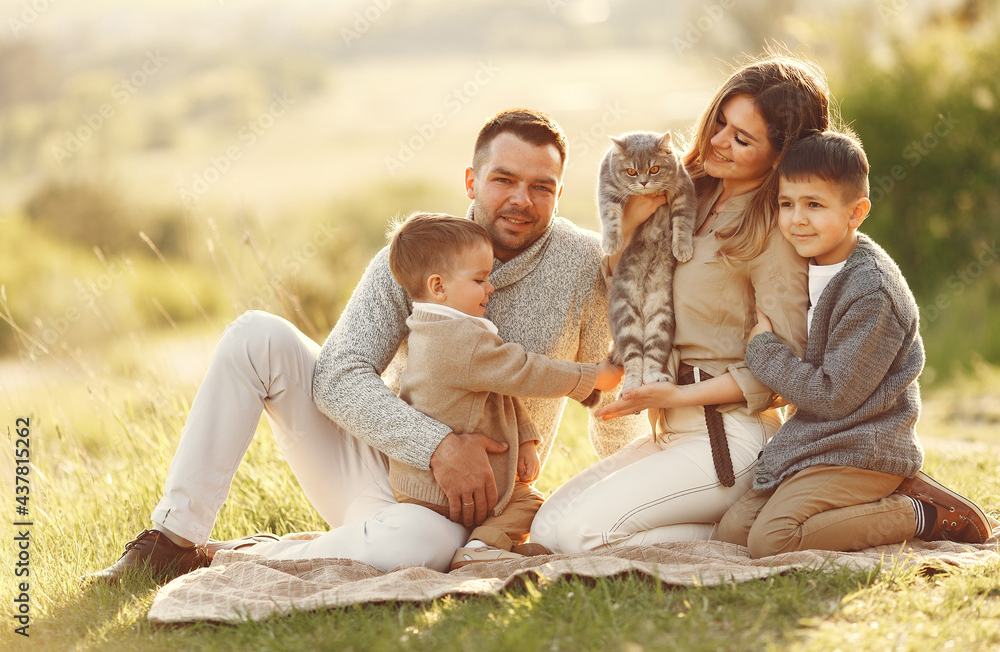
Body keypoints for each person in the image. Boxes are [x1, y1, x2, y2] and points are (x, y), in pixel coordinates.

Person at [86, 109, 645, 582]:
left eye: (541, 186)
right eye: (504, 180)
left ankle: (234, 559)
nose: (521, 199)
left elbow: (608, 397)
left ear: (560, 192)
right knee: (256, 335)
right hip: (375, 468)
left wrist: (624, 499)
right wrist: (436, 445)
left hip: (466, 509)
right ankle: (173, 540)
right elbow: (337, 375)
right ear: (472, 181)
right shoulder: (418, 255)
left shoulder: (584, 267)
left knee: (414, 550)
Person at [530, 53, 826, 553]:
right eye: (719, 123)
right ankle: (725, 526)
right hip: (670, 430)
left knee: (582, 535)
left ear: (779, 157)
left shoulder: (775, 233)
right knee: (547, 530)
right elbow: (628, 286)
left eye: (741, 138)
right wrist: (627, 227)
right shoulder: (688, 192)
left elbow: (787, 370)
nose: (717, 142)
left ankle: (739, 531)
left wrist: (676, 397)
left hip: (728, 439)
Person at [715, 130, 993, 557]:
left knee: (772, 540)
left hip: (865, 446)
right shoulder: (802, 262)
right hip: (817, 442)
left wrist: (764, 350)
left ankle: (919, 511)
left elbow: (832, 395)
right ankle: (876, 504)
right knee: (733, 532)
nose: (797, 219)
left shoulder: (872, 292)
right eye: (786, 204)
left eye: (814, 205)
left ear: (856, 212)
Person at [384, 212, 622, 569]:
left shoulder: (438, 328)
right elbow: (525, 372)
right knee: (529, 503)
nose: (490, 287)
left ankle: (485, 544)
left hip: (422, 482)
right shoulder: (457, 340)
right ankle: (481, 550)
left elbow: (499, 393)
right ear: (438, 286)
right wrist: (592, 377)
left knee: (524, 498)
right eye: (480, 279)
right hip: (437, 490)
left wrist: (525, 440)